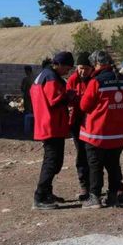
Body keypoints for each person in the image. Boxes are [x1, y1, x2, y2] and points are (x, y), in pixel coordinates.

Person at [79, 50, 123, 208]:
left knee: (95, 166)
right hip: (118, 133)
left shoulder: (96, 81)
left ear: (96, 63)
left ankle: (94, 197)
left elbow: (84, 106)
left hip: (97, 133)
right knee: (114, 165)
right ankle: (113, 195)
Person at [30, 51, 74, 210]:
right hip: (51, 125)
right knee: (52, 162)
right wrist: (69, 96)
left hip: (47, 123)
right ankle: (39, 197)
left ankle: (47, 193)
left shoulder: (43, 74)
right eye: (67, 68)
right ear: (60, 64)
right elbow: (54, 100)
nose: (68, 72)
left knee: (54, 161)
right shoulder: (51, 77)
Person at [66, 52, 94, 201]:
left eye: (85, 68)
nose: (82, 71)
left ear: (91, 69)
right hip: (77, 123)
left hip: (92, 124)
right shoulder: (72, 80)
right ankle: (85, 186)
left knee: (94, 155)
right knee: (81, 154)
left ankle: (96, 186)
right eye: (80, 68)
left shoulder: (95, 80)